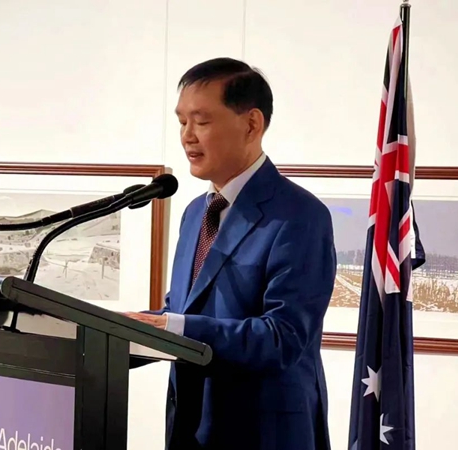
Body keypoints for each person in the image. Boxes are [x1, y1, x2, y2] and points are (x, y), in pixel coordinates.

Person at [125, 58, 337, 450]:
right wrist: (113, 332)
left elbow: (283, 337)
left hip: (263, 435)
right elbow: (184, 309)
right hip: (192, 430)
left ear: (252, 124)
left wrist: (173, 326)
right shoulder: (195, 213)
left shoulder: (300, 216)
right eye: (181, 122)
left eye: (201, 121)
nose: (187, 136)